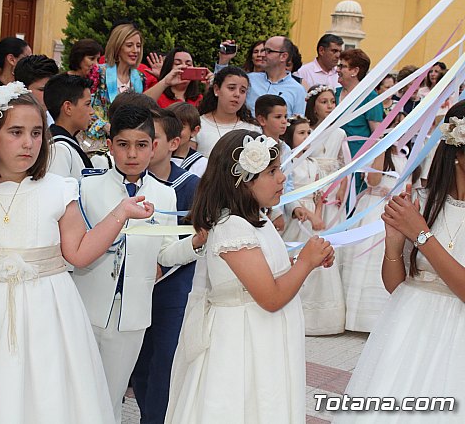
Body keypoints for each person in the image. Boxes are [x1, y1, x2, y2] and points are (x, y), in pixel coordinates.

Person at [0, 82, 155, 423]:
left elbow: (79, 253)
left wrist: (120, 213)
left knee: (46, 395)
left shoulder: (58, 189)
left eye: (36, 133)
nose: (28, 143)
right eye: (16, 132)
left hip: (46, 314)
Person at [165, 129, 335, 423]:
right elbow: (270, 297)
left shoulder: (257, 220)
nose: (282, 178)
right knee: (242, 403)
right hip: (243, 337)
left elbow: (264, 270)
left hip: (261, 331)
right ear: (242, 181)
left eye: (279, 169)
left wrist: (301, 260)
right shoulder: (232, 227)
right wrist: (305, 263)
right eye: (272, 171)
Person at [73, 105, 206, 424]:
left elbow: (164, 254)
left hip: (132, 314)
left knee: (113, 395)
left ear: (154, 147)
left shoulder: (164, 195)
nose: (132, 154)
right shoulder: (85, 187)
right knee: (78, 392)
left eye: (141, 145)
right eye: (123, 144)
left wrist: (195, 243)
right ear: (110, 145)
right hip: (85, 308)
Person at [335, 101, 465, 423]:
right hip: (408, 327)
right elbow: (398, 284)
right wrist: (393, 244)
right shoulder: (423, 200)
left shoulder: (420, 220)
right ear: (458, 152)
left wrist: (421, 235)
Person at [132, 108, 201, 424]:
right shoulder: (128, 182)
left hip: (172, 288)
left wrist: (163, 265)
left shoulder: (189, 185)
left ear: (173, 143)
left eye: (151, 139)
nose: (144, 146)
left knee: (164, 362)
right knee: (139, 363)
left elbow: (200, 237)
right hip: (133, 287)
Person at [281, 115, 345, 335]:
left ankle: (317, 320)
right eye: (301, 133)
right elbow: (288, 192)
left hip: (313, 218)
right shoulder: (288, 162)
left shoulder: (312, 163)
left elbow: (319, 194)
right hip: (297, 218)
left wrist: (317, 215)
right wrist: (306, 213)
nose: (307, 137)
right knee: (296, 259)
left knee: (319, 262)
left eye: (309, 133)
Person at [81, 24, 183, 156]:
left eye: (138, 46)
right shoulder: (98, 72)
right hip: (97, 145)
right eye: (129, 45)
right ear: (117, 47)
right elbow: (85, 107)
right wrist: (107, 127)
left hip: (129, 148)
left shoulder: (140, 78)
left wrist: (164, 82)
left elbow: (142, 106)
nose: (135, 50)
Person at [340, 144, 412, 332]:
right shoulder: (380, 153)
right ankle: (360, 318)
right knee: (366, 258)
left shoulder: (406, 155)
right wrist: (381, 149)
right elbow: (373, 180)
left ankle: (381, 319)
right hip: (375, 209)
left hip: (396, 211)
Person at [216, 36, 306, 117]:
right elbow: (220, 89)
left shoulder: (298, 90)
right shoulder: (250, 79)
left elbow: (297, 125)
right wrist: (223, 60)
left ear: (283, 56)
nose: (262, 55)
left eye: (268, 51)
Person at [335, 49, 384, 193]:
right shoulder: (334, 93)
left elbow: (377, 135)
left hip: (356, 162)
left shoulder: (370, 97)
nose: (338, 69)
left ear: (354, 71)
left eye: (342, 66)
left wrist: (369, 164)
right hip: (335, 159)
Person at [304, 84, 349, 226]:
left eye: (332, 102)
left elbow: (344, 164)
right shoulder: (305, 132)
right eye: (324, 102)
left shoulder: (339, 133)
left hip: (332, 184)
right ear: (313, 106)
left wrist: (342, 188)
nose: (330, 106)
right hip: (311, 182)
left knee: (331, 219)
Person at [195, 66, 260, 158]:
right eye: (231, 88)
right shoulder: (198, 125)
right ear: (216, 89)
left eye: (242, 91)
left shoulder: (253, 130)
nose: (237, 94)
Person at [255, 94, 294, 232]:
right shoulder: (256, 147)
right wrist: (275, 212)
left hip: (282, 208)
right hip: (262, 211)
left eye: (285, 117)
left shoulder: (286, 149)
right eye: (278, 117)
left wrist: (294, 207)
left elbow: (288, 182)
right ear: (262, 120)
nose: (284, 121)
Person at [44, 73, 95, 178]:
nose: (92, 111)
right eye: (87, 104)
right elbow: (58, 192)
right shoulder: (58, 149)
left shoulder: (65, 142)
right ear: (68, 108)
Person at [169, 102, 208, 177]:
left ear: (194, 131)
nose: (174, 131)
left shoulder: (202, 165)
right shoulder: (155, 158)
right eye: (170, 125)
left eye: (181, 127)